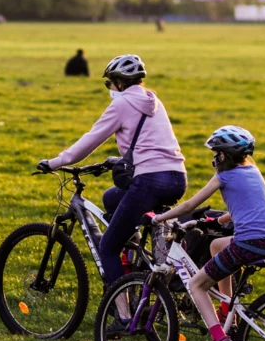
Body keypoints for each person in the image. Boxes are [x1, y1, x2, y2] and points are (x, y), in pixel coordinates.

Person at [37, 54, 187, 286]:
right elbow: (154, 146)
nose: (109, 88)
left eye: (109, 83)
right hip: (177, 178)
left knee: (107, 247)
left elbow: (89, 141)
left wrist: (54, 162)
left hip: (149, 181)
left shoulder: (121, 104)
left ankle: (123, 314)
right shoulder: (154, 101)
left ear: (119, 82)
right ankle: (135, 257)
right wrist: (119, 159)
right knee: (111, 198)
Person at [152, 126, 265, 341]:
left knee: (197, 285)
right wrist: (214, 221)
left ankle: (219, 340)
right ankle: (224, 311)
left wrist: (159, 218)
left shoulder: (225, 176)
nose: (214, 158)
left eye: (217, 154)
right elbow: (241, 210)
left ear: (225, 156)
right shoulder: (252, 171)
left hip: (247, 243)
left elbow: (190, 203)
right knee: (216, 245)